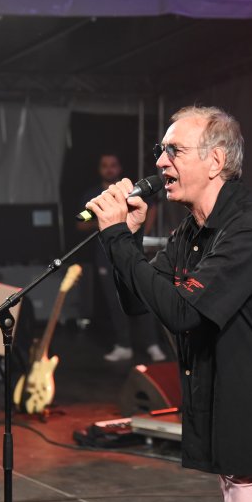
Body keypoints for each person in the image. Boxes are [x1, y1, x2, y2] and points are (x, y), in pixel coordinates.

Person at [85, 106, 252, 502]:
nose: (160, 161)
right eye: (160, 150)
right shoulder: (192, 231)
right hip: (233, 415)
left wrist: (116, 237)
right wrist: (128, 239)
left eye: (174, 150)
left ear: (215, 161)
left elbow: (183, 312)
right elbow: (139, 302)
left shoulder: (250, 231)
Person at [77, 153, 166, 363]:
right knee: (114, 302)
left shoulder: (130, 191)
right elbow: (80, 223)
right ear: (99, 169)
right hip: (105, 256)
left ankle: (152, 344)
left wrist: (141, 230)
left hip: (132, 251)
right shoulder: (93, 195)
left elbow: (152, 207)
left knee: (143, 296)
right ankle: (124, 345)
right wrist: (106, 221)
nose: (109, 169)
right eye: (104, 165)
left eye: (113, 165)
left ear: (119, 168)